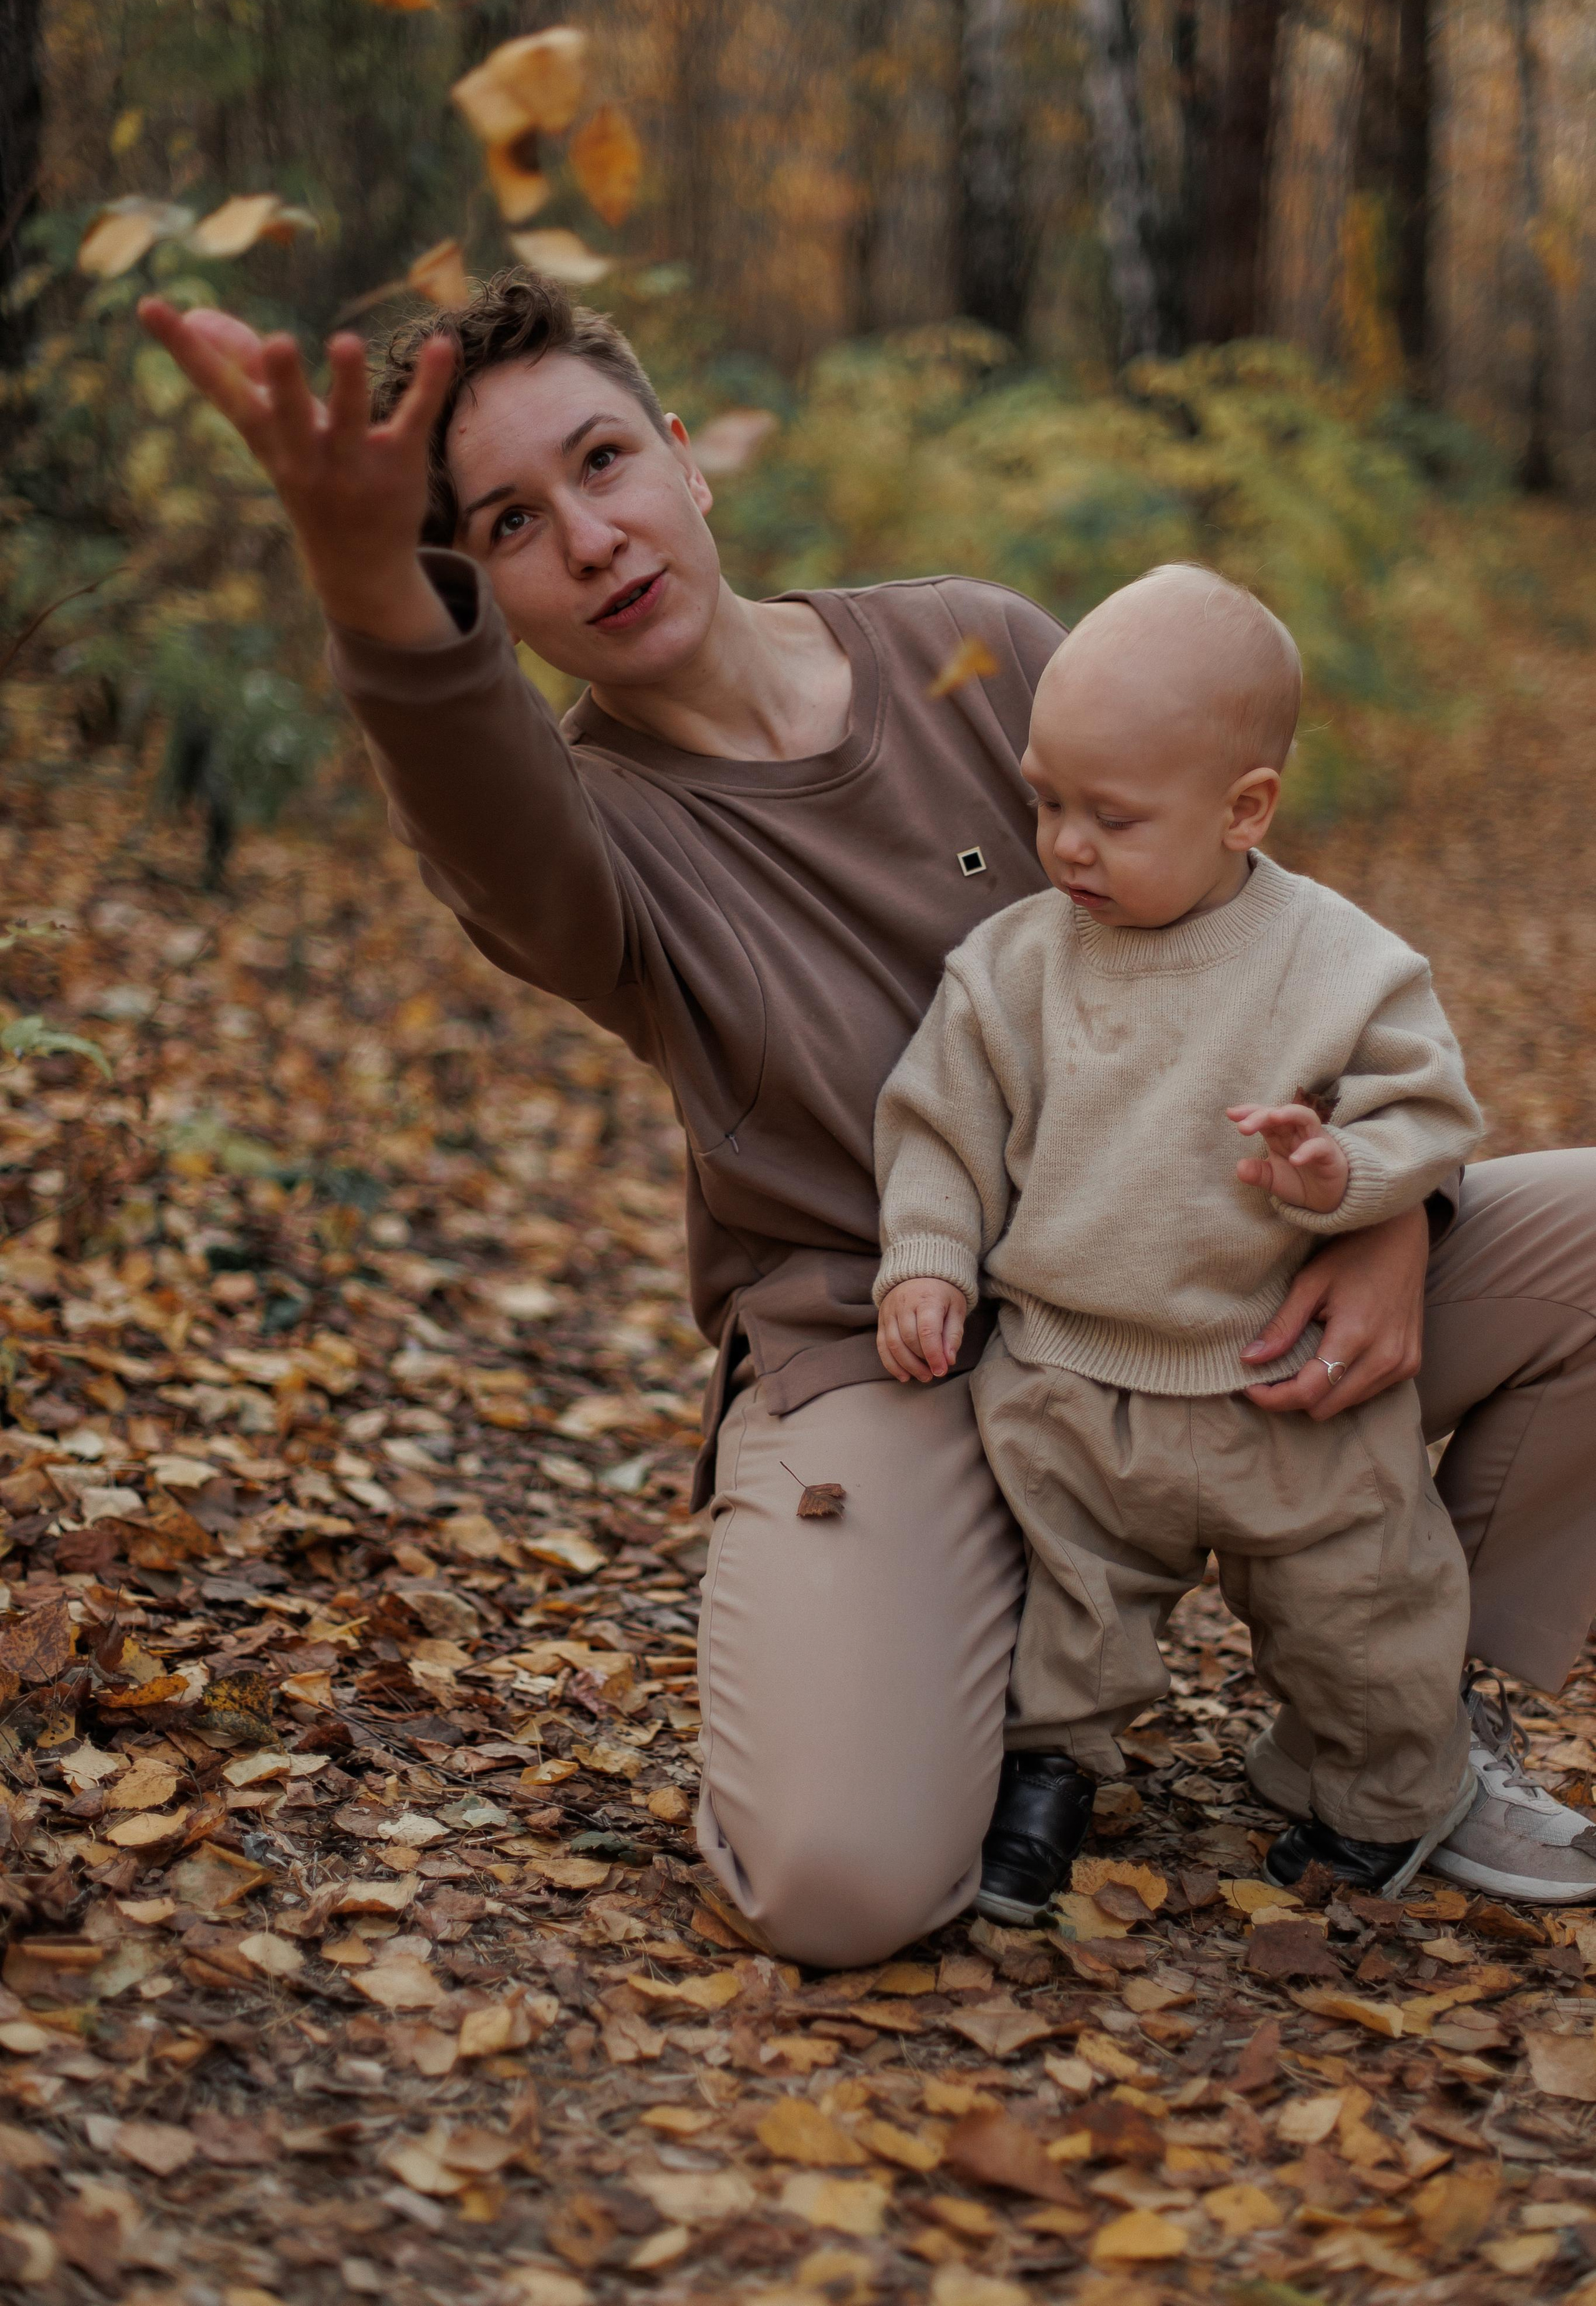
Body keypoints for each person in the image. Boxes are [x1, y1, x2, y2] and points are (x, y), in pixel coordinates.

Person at [136, 269, 1596, 1961]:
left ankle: (1408, 1727)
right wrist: (362, 574)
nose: (593, 539)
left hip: (1228, 1272)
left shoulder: (971, 650)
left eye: (604, 464)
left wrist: (1392, 1220)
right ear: (484, 588)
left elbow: (1263, 925)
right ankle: (988, 1663)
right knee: (833, 1887)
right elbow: (477, 792)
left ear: (688, 460)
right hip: (909, 1354)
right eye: (514, 526)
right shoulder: (591, 846)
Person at [874, 566, 1483, 1919]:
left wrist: (1343, 1171)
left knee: (1363, 1608)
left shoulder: (1335, 961)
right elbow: (937, 1124)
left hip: (1282, 1380)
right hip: (1070, 1382)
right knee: (1063, 1607)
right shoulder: (1012, 967)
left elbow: (1425, 1101)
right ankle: (1044, 1780)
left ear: (1242, 808)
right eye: (1043, 802)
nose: (1065, 845)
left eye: (1110, 816)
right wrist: (923, 1255)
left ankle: (1377, 1800)